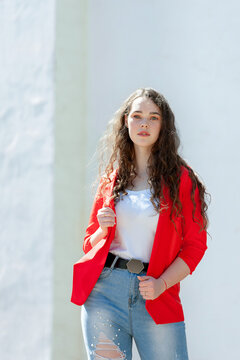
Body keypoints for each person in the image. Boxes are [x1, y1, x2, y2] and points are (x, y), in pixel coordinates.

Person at [71, 87, 209, 360]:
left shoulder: (181, 180)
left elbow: (195, 247)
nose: (144, 123)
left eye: (153, 117)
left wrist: (162, 284)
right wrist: (102, 228)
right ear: (126, 122)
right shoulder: (111, 180)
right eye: (137, 116)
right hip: (105, 293)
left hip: (156, 294)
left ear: (163, 125)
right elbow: (89, 242)